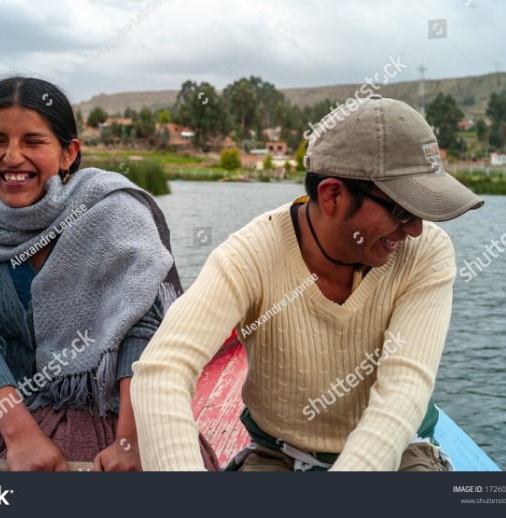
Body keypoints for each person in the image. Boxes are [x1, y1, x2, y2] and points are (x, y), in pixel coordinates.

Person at [131, 95, 484, 471]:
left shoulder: (426, 252)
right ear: (332, 195)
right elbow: (162, 371)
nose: (415, 228)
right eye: (402, 210)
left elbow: (402, 393)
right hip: (282, 455)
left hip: (398, 455)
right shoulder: (249, 255)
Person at [0, 76, 219, 471]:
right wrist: (21, 437)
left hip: (116, 408)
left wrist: (132, 440)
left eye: (33, 142)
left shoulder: (115, 211)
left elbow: (142, 327)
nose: (12, 156)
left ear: (68, 153)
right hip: (4, 412)